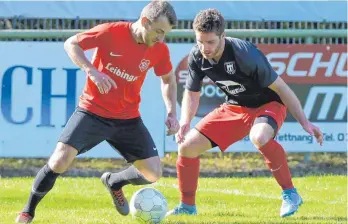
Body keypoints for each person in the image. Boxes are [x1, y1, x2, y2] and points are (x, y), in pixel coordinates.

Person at [15, 1, 179, 223]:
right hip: (92, 111)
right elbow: (71, 44)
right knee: (59, 161)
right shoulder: (111, 32)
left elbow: (168, 79)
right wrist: (91, 71)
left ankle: (114, 182)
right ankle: (27, 211)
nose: (161, 38)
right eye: (159, 31)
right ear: (144, 22)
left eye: (165, 33)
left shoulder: (159, 49)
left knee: (153, 173)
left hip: (127, 118)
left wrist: (171, 112)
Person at [167, 8, 323, 218]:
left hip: (269, 104)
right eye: (200, 41)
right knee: (186, 147)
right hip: (235, 106)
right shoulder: (197, 55)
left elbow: (283, 89)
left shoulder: (245, 54)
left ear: (223, 35)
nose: (205, 48)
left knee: (259, 137)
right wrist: (185, 121)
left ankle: (290, 194)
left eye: (210, 42)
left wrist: (305, 123)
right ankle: (187, 207)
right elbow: (192, 93)